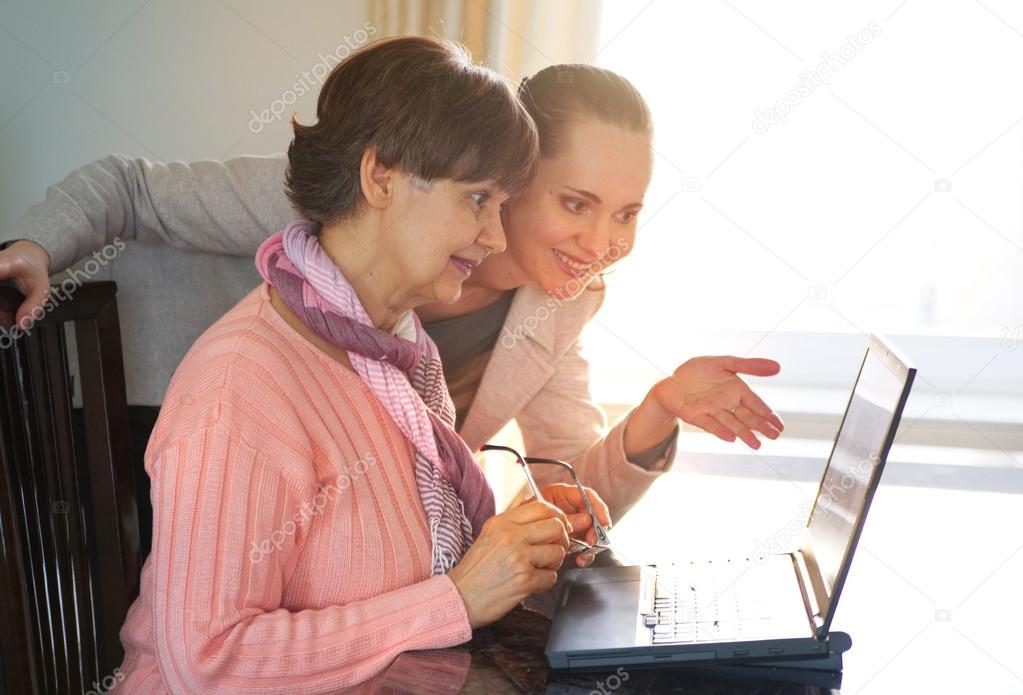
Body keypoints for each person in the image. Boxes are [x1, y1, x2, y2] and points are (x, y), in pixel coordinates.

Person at [0, 55, 784, 529]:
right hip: (137, 422)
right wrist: (33, 249)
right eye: (574, 203)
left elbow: (561, 486)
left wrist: (657, 410)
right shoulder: (345, 199)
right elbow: (129, 187)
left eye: (626, 214)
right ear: (509, 175)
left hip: (314, 516)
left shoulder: (561, 301)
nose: (600, 243)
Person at [103, 36, 612, 692]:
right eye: (478, 199)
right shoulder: (241, 385)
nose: (495, 237)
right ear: (381, 177)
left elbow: (398, 564)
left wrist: (521, 546)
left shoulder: (399, 352)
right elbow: (209, 658)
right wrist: (455, 597)